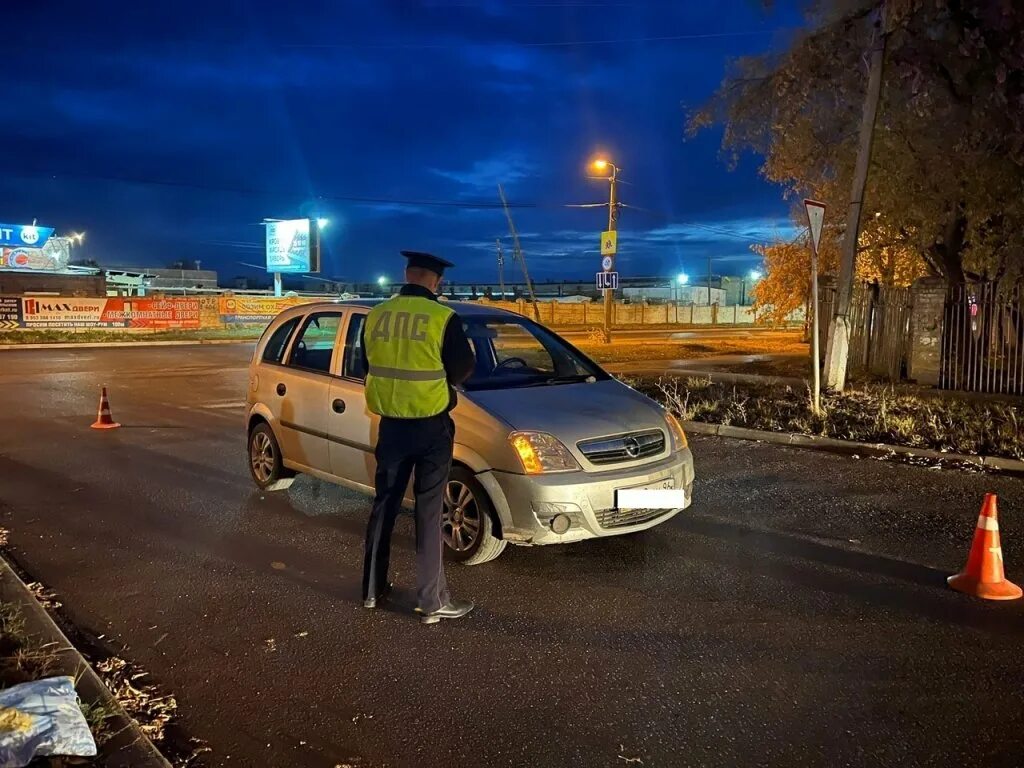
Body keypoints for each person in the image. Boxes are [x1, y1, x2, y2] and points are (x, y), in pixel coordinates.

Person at [361, 250, 476, 625]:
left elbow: (368, 364)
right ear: (435, 281)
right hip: (430, 426)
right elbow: (461, 371)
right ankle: (431, 602)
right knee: (428, 511)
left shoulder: (376, 315)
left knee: (385, 506)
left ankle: (372, 591)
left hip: (391, 425)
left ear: (407, 275)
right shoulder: (443, 318)